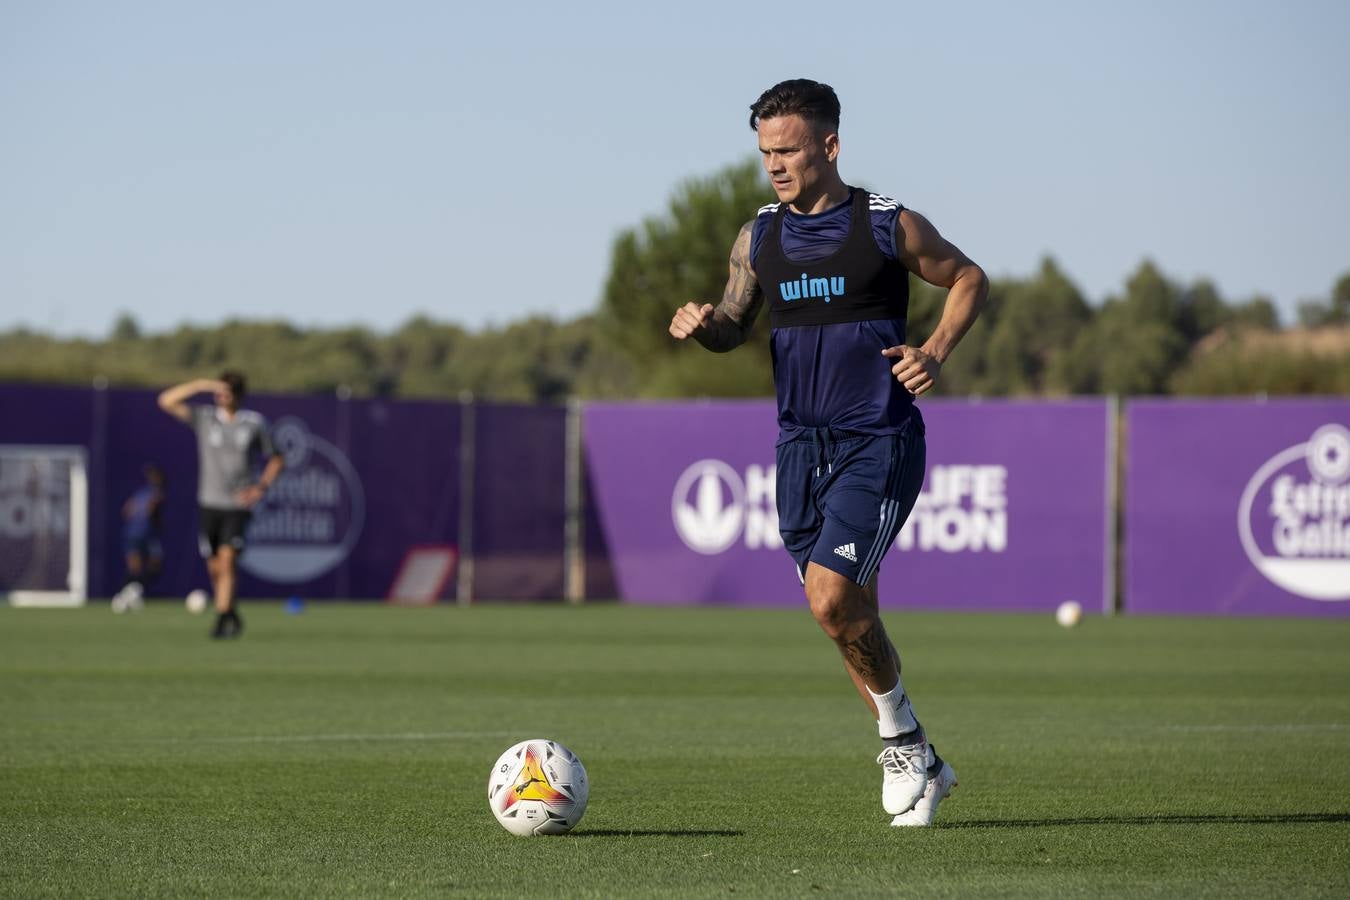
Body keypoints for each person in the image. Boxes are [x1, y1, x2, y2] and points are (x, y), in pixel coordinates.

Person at [669, 79, 988, 827]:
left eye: (787, 150)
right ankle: (921, 759)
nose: (774, 165)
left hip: (878, 440)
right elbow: (734, 327)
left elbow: (969, 277)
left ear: (830, 145)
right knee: (848, 614)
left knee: (830, 598)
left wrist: (936, 350)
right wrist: (704, 322)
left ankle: (903, 739)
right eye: (764, 153)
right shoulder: (758, 239)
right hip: (798, 450)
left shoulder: (887, 225)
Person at [157, 372, 283, 639]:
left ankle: (221, 618)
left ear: (238, 395)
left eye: (225, 392)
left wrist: (260, 487)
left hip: (237, 505)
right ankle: (230, 611)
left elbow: (276, 458)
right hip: (209, 503)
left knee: (228, 562)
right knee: (214, 567)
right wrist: (200, 384)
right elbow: (166, 400)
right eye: (218, 391)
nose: (220, 396)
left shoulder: (254, 424)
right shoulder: (206, 419)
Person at [111, 463, 166, 610]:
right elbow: (132, 510)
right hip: (140, 534)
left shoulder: (146, 493)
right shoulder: (151, 494)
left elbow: (127, 510)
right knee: (136, 568)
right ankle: (126, 594)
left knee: (153, 566)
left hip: (142, 534)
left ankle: (133, 592)